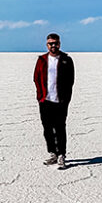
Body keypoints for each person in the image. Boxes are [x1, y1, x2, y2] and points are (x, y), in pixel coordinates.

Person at [33, 33, 75, 169]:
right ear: (47, 45)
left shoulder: (66, 60)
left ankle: (62, 155)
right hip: (45, 101)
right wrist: (40, 96)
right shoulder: (42, 60)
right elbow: (36, 78)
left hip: (60, 101)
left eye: (55, 43)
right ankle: (53, 154)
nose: (53, 46)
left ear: (59, 44)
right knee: (47, 129)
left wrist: (66, 99)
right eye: (51, 43)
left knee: (60, 128)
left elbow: (70, 81)